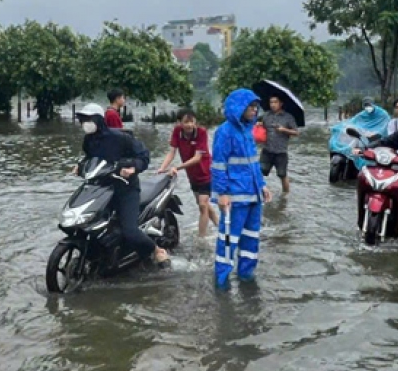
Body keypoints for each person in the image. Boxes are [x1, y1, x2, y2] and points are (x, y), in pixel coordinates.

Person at [74, 103, 171, 266]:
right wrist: (80, 165)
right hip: (100, 189)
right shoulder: (89, 140)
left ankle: (157, 250)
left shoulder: (121, 137)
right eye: (83, 120)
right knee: (87, 222)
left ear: (98, 120)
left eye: (88, 119)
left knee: (130, 231)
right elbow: (89, 158)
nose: (85, 123)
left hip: (125, 189)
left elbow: (144, 156)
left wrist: (133, 168)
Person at [212, 89, 272, 283]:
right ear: (239, 108)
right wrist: (222, 193)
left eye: (256, 107)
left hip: (254, 195)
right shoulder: (225, 131)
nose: (255, 110)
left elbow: (253, 162)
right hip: (235, 197)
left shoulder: (248, 131)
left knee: (251, 238)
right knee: (229, 240)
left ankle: (247, 276)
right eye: (251, 107)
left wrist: (262, 185)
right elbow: (219, 165)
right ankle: (222, 280)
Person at [156, 109, 219, 237]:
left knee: (202, 205)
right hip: (192, 175)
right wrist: (162, 168)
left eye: (192, 122)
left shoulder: (201, 132)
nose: (189, 125)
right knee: (204, 205)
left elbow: (197, 158)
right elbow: (172, 152)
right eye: (186, 122)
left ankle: (202, 238)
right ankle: (222, 227)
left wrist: (176, 168)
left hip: (206, 172)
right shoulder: (177, 132)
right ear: (179, 123)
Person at [258, 95, 299, 195]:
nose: (273, 105)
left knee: (282, 175)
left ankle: (285, 197)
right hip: (267, 150)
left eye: (275, 102)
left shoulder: (288, 117)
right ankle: (259, 193)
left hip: (281, 152)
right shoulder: (266, 115)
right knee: (259, 172)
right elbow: (261, 128)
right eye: (271, 102)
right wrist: (259, 126)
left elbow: (296, 132)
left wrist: (284, 130)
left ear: (281, 104)